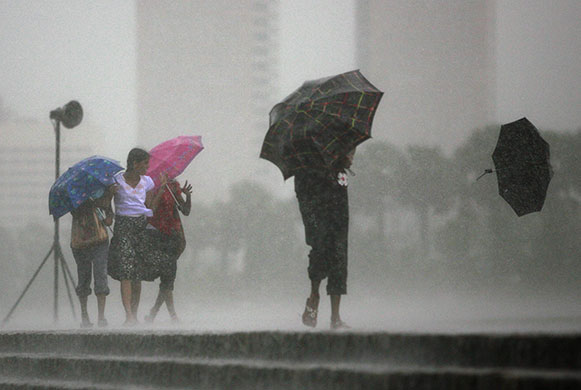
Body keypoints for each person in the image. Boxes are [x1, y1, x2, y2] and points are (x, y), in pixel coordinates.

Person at [294, 149, 355, 330]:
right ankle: (314, 297)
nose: (352, 156)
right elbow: (302, 193)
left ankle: (335, 317)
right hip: (315, 204)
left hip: (337, 205)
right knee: (320, 249)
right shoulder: (305, 152)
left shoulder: (339, 138)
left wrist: (344, 160)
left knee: (338, 254)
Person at [107, 148, 167, 326]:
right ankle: (128, 315)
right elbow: (107, 206)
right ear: (134, 164)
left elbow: (150, 208)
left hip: (141, 225)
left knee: (137, 272)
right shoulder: (117, 180)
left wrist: (162, 189)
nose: (147, 168)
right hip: (123, 225)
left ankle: (135, 313)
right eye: (145, 164)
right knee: (126, 271)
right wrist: (110, 194)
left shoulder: (147, 182)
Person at [144, 179, 192, 323]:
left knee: (168, 278)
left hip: (174, 237)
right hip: (158, 237)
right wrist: (160, 190)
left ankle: (157, 313)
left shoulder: (173, 186)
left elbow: (186, 211)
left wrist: (187, 196)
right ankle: (170, 315)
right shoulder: (150, 187)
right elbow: (150, 210)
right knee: (167, 278)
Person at [70, 186, 115, 328]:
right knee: (83, 277)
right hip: (80, 241)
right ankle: (84, 315)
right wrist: (92, 201)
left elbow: (109, 214)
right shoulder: (75, 195)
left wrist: (108, 202)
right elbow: (75, 212)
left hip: (100, 239)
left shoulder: (102, 191)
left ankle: (101, 316)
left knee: (100, 275)